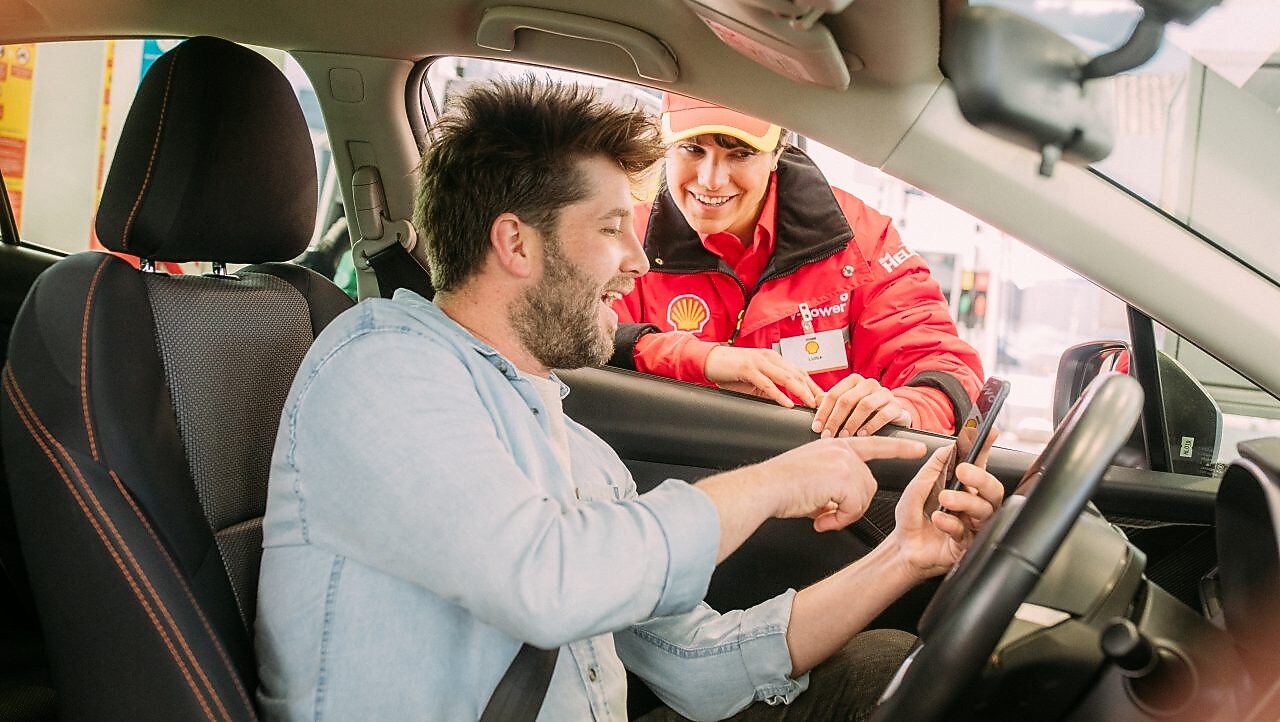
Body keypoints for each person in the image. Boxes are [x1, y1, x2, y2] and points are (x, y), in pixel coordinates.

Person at [255, 77, 1004, 721]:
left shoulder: (578, 449)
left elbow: (701, 668)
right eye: (613, 228)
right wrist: (778, 481)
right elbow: (547, 582)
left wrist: (905, 557)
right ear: (516, 243)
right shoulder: (381, 365)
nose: (640, 259)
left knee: (883, 666)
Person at [611, 92, 984, 438]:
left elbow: (944, 369)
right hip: (662, 470)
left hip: (823, 476)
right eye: (692, 149)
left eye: (741, 153)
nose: (711, 180)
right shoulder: (622, 237)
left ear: (778, 151)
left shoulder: (859, 240)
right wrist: (703, 359)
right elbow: (591, 344)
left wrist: (904, 407)